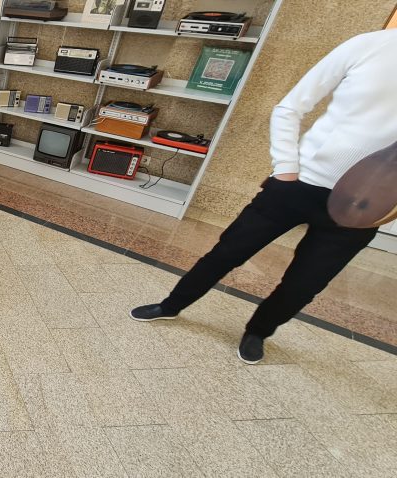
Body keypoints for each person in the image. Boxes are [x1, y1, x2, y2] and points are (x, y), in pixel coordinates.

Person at [129, 28, 397, 364]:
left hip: (367, 206)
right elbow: (289, 108)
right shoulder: (369, 45)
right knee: (227, 252)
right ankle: (171, 305)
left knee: (305, 283)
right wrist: (285, 169)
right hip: (299, 183)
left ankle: (259, 331)